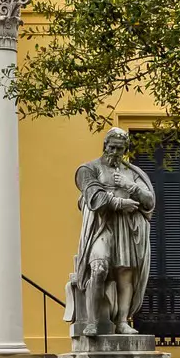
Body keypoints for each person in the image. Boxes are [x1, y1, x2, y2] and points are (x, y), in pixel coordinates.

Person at [65, 127, 157, 338]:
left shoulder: (131, 173)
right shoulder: (88, 169)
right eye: (112, 147)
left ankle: (123, 322)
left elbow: (149, 201)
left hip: (126, 227)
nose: (115, 152)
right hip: (101, 226)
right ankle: (92, 321)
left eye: (120, 149)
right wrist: (120, 202)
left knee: (126, 273)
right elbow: (94, 198)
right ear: (104, 145)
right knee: (98, 267)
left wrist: (130, 187)